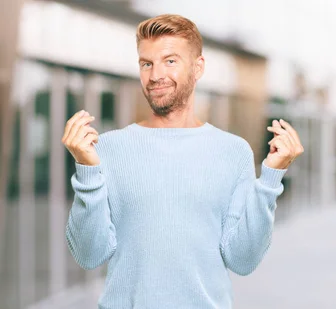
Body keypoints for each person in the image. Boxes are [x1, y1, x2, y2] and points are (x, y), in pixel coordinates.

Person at [62, 14, 303, 308]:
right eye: (146, 63)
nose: (155, 76)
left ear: (198, 67)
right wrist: (87, 170)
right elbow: (88, 255)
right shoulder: (109, 148)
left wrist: (270, 179)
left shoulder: (233, 152)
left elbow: (243, 260)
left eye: (170, 61)